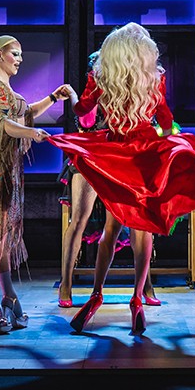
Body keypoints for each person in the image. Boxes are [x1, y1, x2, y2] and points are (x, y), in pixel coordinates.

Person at [50, 23, 195, 336]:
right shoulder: (154, 78)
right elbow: (164, 120)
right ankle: (137, 296)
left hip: (117, 153)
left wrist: (69, 95)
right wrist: (171, 145)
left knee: (111, 226)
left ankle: (96, 294)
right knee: (142, 227)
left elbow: (84, 114)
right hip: (145, 153)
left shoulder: (100, 77)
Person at [0, 35, 75, 335]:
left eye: (20, 55)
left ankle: (8, 295)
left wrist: (53, 98)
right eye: (14, 54)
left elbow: (24, 112)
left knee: (2, 240)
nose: (19, 59)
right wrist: (32, 134)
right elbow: (7, 124)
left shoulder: (4, 89)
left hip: (5, 175)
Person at [56, 51, 159, 309]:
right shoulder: (97, 88)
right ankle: (66, 285)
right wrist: (76, 97)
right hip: (93, 154)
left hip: (122, 157)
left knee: (139, 222)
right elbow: (86, 121)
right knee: (79, 218)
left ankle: (146, 285)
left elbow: (151, 119)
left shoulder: (132, 86)